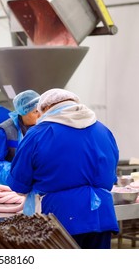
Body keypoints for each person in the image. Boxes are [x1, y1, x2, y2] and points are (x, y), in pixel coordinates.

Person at [7, 88, 119, 249]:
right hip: (102, 214)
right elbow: (110, 177)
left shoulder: (37, 134)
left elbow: (19, 185)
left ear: (45, 108)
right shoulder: (104, 131)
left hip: (59, 218)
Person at [0, 90, 40, 185]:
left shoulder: (42, 128)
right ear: (24, 111)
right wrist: (14, 172)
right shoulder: (6, 130)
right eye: (35, 112)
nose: (39, 115)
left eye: (41, 110)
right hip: (10, 186)